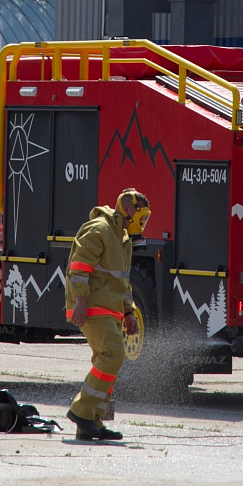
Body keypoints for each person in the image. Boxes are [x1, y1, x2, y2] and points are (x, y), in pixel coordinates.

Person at [65, 188, 150, 442]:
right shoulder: (99, 229)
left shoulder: (123, 239)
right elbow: (79, 266)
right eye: (142, 217)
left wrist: (129, 312)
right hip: (91, 306)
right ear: (129, 210)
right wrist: (80, 300)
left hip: (109, 309)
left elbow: (122, 282)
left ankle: (92, 424)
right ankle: (81, 411)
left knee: (107, 361)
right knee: (114, 354)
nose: (143, 224)